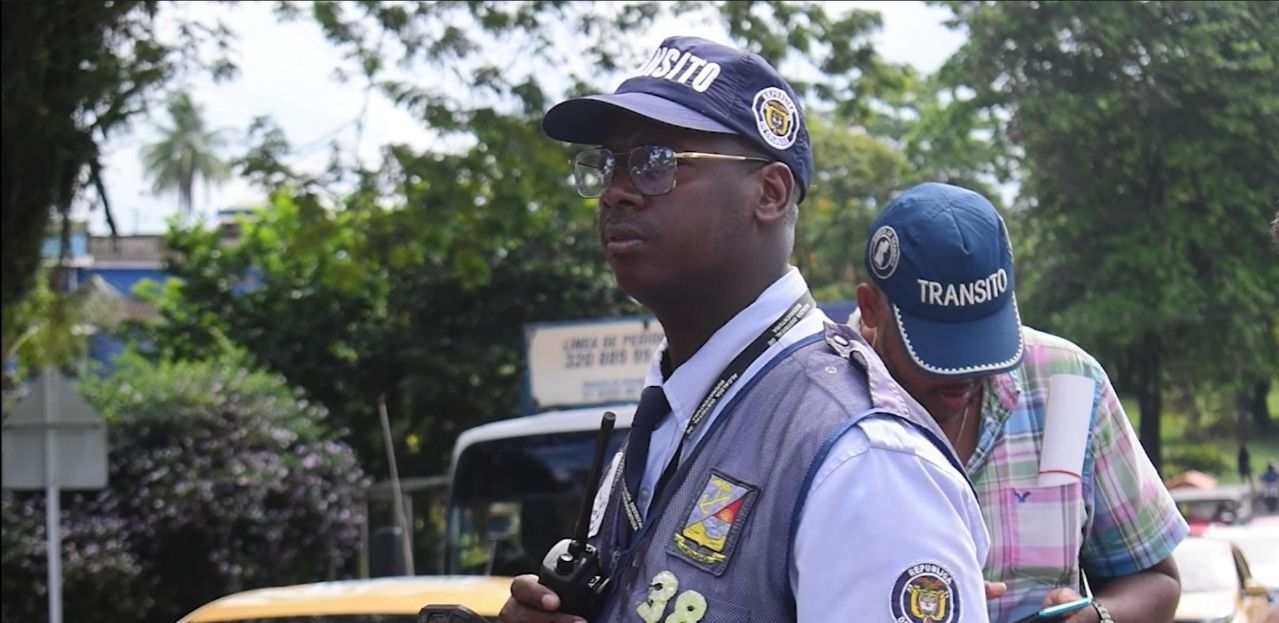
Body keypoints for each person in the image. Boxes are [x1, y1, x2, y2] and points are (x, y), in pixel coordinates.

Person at [500, 36, 991, 623]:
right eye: (608, 163)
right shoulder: (666, 423)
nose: (617, 192)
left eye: (657, 161)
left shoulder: (862, 460)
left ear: (769, 193)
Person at [850, 182, 1189, 623]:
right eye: (940, 348)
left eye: (980, 339)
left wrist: (1099, 617)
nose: (966, 371)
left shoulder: (1066, 389)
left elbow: (1156, 579)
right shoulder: (819, 406)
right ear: (872, 308)